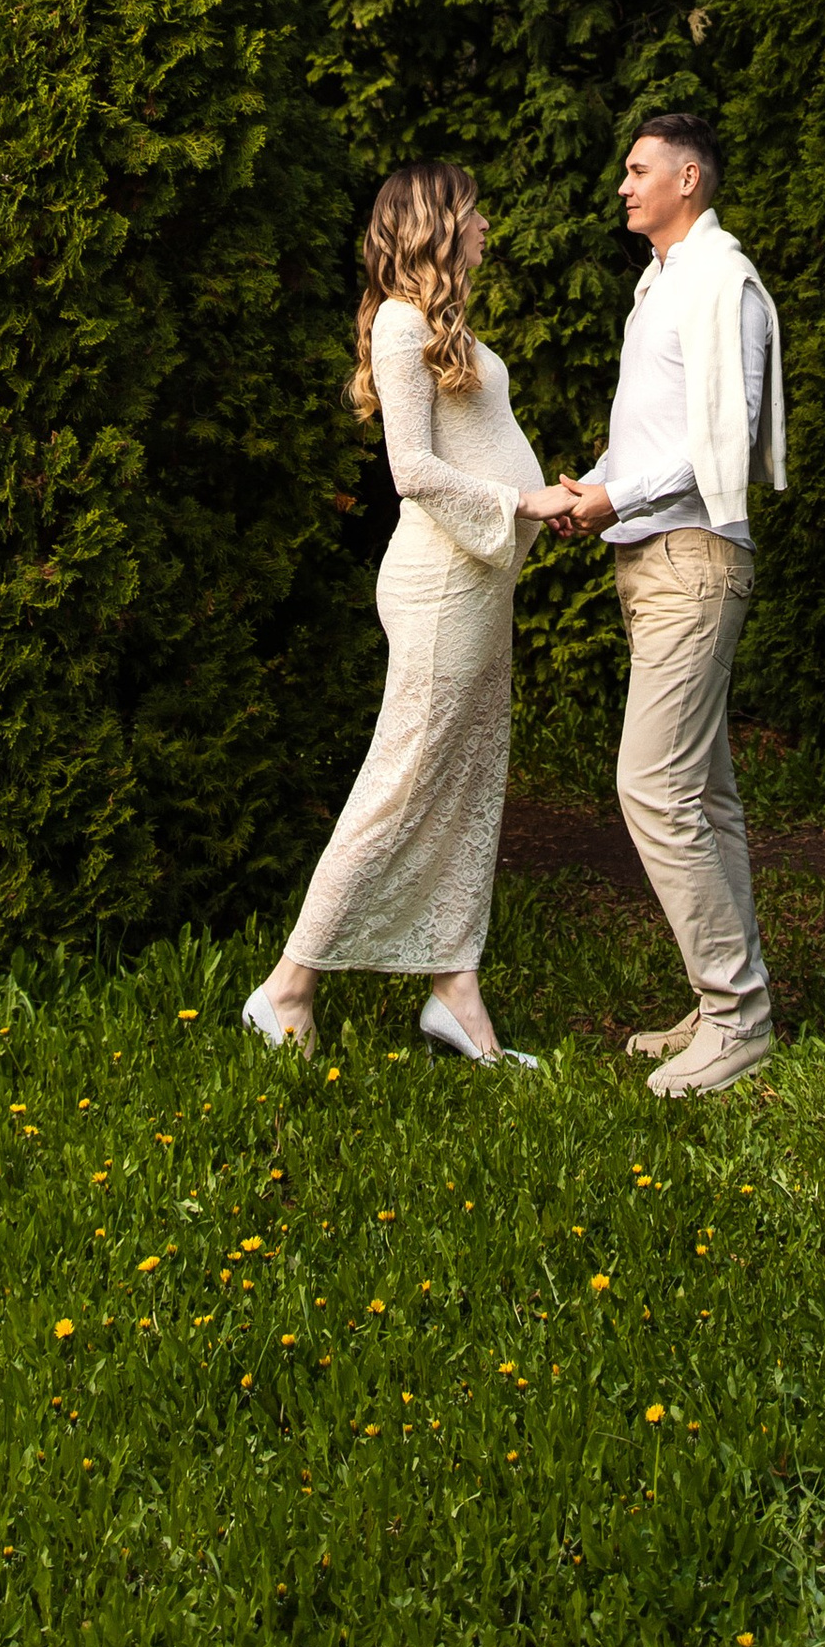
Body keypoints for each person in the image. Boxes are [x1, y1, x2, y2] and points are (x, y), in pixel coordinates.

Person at [245, 161, 582, 1066]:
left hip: (477, 590)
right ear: (434, 225)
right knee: (400, 786)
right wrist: (524, 505)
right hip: (437, 590)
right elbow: (413, 471)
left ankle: (454, 993)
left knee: (467, 788)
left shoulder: (442, 327)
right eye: (473, 215)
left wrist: (542, 504)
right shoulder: (400, 324)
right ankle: (286, 990)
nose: (485, 229)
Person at [557, 111, 786, 1098]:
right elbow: (651, 435)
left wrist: (620, 494)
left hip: (696, 561)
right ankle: (727, 1002)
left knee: (651, 785)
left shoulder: (720, 282)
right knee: (703, 794)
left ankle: (736, 1018)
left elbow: (723, 439)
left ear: (688, 179)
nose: (623, 184)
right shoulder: (661, 286)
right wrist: (592, 490)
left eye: (638, 168)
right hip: (652, 559)